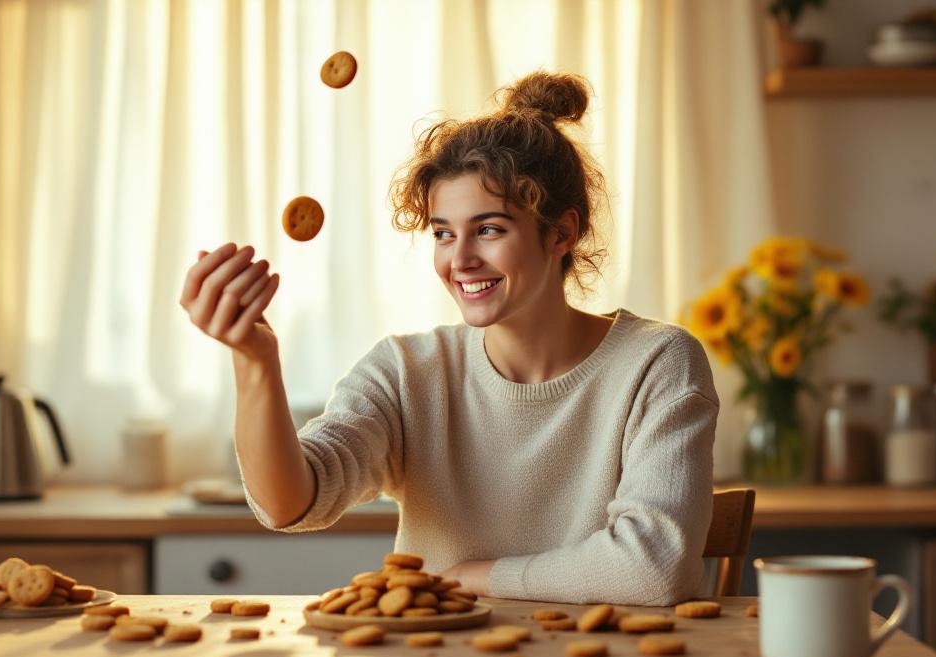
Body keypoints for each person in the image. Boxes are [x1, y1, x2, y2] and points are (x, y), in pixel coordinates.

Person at [179, 71, 718, 605]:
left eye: (488, 229)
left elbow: (653, 569)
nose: (459, 261)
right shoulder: (406, 371)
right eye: (442, 233)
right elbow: (289, 503)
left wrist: (474, 577)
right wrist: (256, 362)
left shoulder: (657, 363)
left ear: (562, 232)